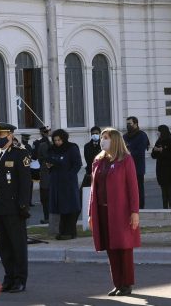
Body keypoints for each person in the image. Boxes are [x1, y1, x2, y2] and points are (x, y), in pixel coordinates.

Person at [89, 128, 141, 296]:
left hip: (121, 211)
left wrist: (134, 212)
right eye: (102, 137)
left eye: (106, 138)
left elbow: (133, 188)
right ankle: (117, 283)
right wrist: (91, 213)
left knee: (124, 248)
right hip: (103, 211)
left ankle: (127, 283)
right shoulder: (98, 160)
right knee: (111, 248)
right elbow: (93, 189)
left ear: (115, 140)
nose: (102, 140)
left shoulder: (125, 160)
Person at [0, 123, 32, 292]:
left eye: (3, 134)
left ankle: (20, 279)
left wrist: (23, 206)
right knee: (4, 246)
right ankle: (9, 277)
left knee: (17, 246)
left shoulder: (20, 154)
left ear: (11, 135)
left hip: (14, 208)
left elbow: (25, 183)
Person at [48, 129, 82, 240]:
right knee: (61, 208)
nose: (57, 142)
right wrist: (49, 165)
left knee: (70, 207)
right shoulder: (52, 149)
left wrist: (69, 175)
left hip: (68, 183)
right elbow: (49, 160)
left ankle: (70, 232)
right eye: (55, 140)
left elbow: (77, 164)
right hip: (56, 182)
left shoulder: (71, 148)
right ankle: (62, 231)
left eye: (59, 140)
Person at [124, 116, 150, 209]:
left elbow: (140, 151)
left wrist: (129, 154)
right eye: (127, 124)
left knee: (139, 188)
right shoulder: (125, 136)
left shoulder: (141, 135)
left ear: (135, 124)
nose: (128, 126)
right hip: (126, 167)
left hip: (138, 167)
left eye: (129, 124)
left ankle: (140, 207)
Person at [151, 125, 171, 209]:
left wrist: (162, 151)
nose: (157, 132)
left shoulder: (170, 142)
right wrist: (155, 151)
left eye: (158, 131)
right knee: (163, 188)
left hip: (169, 169)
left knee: (168, 188)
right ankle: (165, 206)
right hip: (161, 168)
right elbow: (153, 155)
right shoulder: (159, 141)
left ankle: (170, 205)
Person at [33, 126, 52, 223]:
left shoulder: (40, 143)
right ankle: (49, 217)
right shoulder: (49, 143)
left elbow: (37, 157)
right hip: (47, 174)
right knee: (47, 198)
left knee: (45, 198)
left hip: (45, 174)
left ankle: (47, 217)